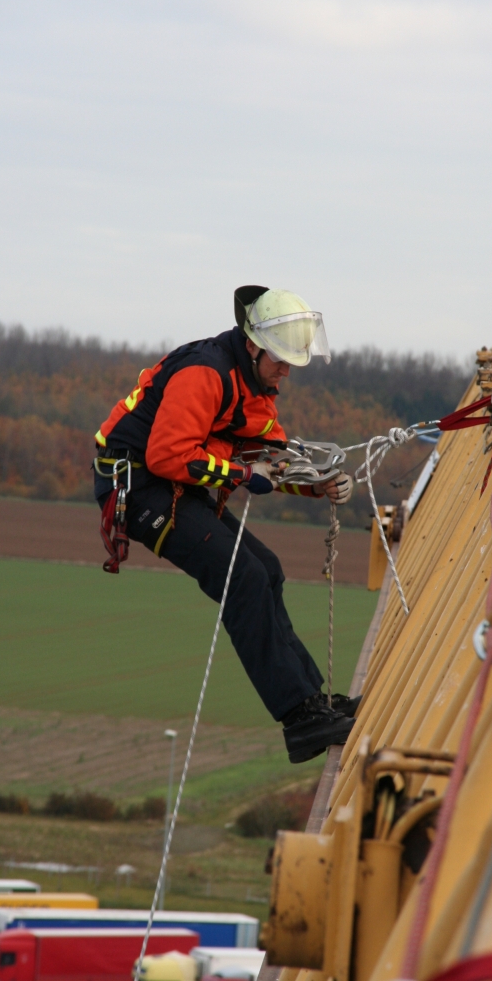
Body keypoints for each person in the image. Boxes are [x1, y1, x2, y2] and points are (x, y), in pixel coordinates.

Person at [93, 285, 358, 763]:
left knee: (267, 569)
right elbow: (168, 455)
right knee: (244, 578)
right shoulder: (205, 372)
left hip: (174, 483)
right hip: (140, 488)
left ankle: (313, 701)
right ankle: (299, 718)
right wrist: (242, 475)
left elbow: (270, 462)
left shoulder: (255, 389)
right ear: (253, 346)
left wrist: (317, 484)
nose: (286, 372)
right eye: (280, 360)